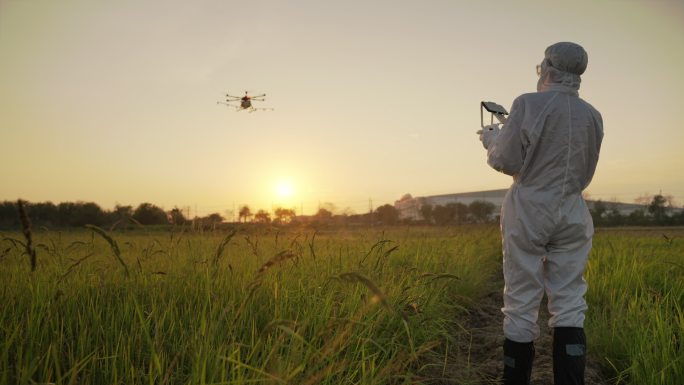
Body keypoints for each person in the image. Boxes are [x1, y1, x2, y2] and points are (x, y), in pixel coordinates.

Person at [478, 42, 603, 385]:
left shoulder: (526, 104)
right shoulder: (593, 114)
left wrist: (492, 139)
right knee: (569, 301)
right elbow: (585, 165)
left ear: (548, 66)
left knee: (520, 299)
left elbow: (506, 160)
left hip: (530, 207)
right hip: (573, 210)